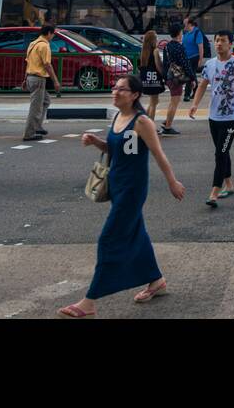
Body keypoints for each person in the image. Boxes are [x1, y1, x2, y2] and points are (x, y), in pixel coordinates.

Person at [58, 76, 185, 317]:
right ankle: (156, 280)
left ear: (135, 95)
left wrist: (172, 182)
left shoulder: (142, 121)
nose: (115, 92)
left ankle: (90, 301)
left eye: (122, 89)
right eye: (115, 88)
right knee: (137, 232)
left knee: (109, 239)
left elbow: (158, 154)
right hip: (116, 185)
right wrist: (96, 142)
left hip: (132, 190)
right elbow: (116, 149)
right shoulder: (118, 117)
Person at [189, 31, 234, 204]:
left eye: (223, 41)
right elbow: (202, 85)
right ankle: (229, 184)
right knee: (223, 151)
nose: (219, 44)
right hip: (213, 116)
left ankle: (214, 192)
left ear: (231, 44)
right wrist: (195, 104)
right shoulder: (210, 65)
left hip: (230, 117)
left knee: (220, 153)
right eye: (217, 41)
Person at [22, 24, 60, 142]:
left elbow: (28, 63)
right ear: (49, 33)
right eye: (53, 34)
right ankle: (29, 134)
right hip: (38, 79)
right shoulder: (44, 46)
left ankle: (37, 126)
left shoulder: (33, 44)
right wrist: (55, 81)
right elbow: (47, 65)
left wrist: (25, 79)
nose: (53, 36)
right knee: (35, 108)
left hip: (31, 77)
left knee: (45, 100)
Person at [158, 23, 193, 135]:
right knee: (174, 102)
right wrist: (192, 78)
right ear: (179, 33)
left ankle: (167, 121)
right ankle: (168, 127)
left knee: (172, 101)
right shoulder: (179, 47)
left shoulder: (167, 46)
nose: (182, 34)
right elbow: (185, 63)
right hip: (176, 78)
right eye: (182, 32)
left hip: (169, 77)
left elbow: (165, 64)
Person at [180, 16, 206, 103]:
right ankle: (196, 92)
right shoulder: (186, 33)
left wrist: (200, 59)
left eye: (185, 23)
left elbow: (200, 47)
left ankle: (186, 95)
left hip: (194, 57)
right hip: (186, 58)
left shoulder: (197, 32)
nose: (184, 25)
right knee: (192, 75)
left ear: (190, 24)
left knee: (189, 75)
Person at [138, 30, 163, 120]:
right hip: (155, 79)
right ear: (153, 40)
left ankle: (145, 121)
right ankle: (150, 124)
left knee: (153, 101)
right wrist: (163, 75)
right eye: (156, 38)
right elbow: (158, 65)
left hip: (147, 79)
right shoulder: (155, 51)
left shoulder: (144, 51)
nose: (157, 39)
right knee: (154, 103)